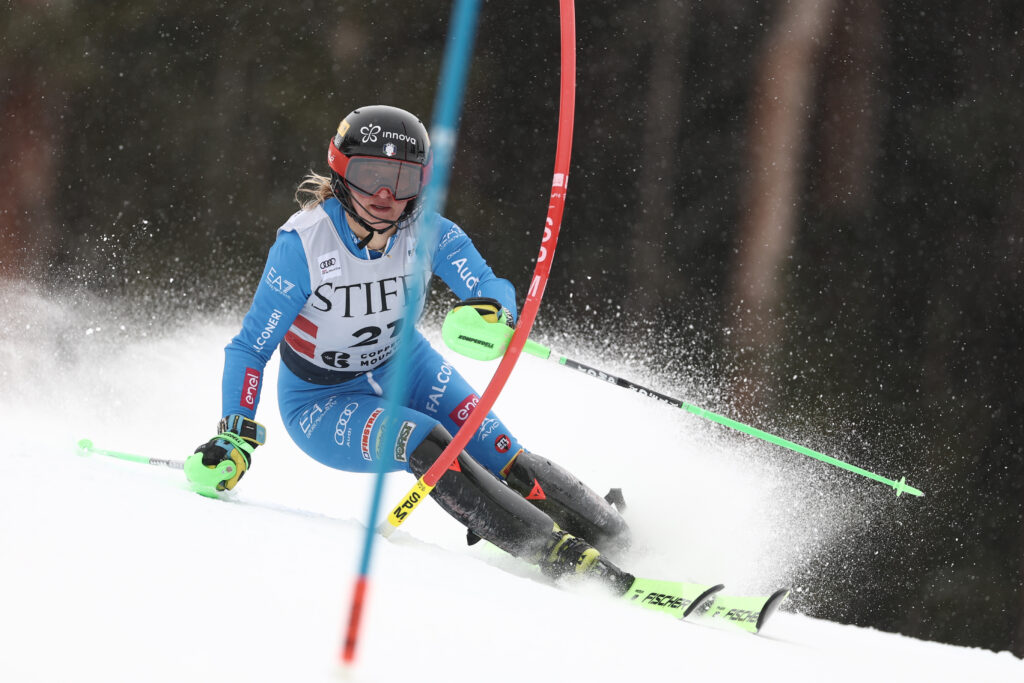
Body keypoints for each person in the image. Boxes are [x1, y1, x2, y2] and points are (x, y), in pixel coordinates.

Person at [185, 105, 632, 594]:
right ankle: (557, 555)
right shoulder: (304, 245)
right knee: (425, 443)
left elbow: (490, 285)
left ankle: (618, 537)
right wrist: (235, 436)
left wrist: (492, 312)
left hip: (407, 365)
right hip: (321, 400)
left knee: (502, 452)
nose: (385, 195)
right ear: (341, 173)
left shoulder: (427, 231)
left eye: (402, 181)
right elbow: (250, 349)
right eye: (370, 176)